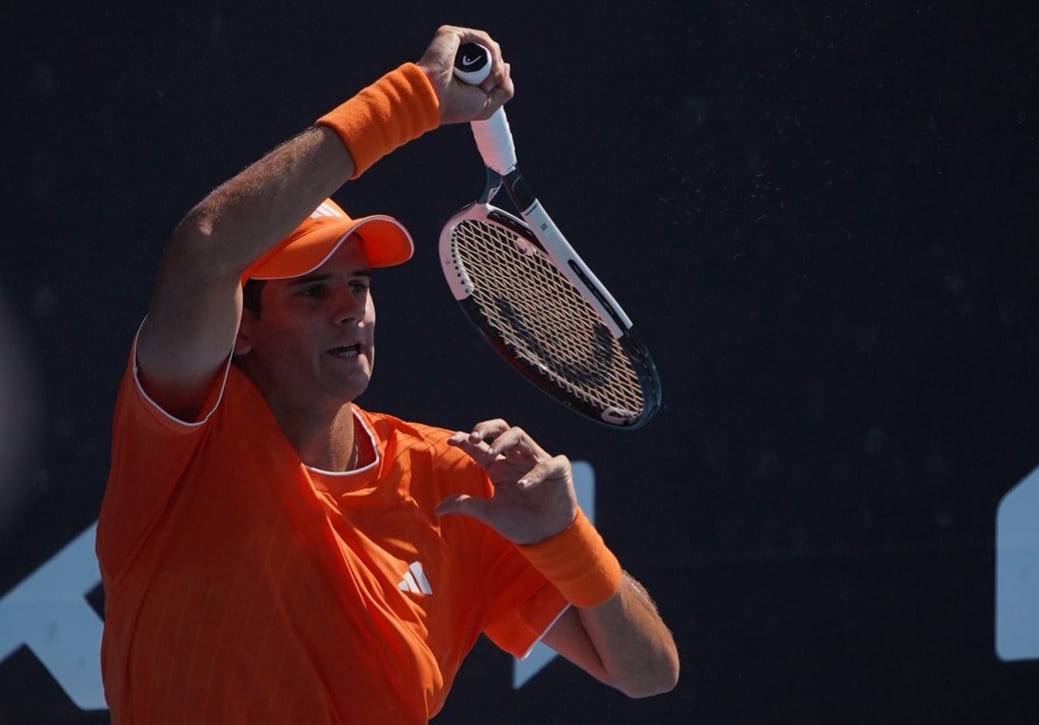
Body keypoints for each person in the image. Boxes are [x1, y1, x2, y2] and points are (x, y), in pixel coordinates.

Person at [96, 24, 678, 724]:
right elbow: (206, 247)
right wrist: (413, 99)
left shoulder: (455, 485)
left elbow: (648, 672)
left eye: (360, 285)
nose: (350, 309)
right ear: (241, 324)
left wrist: (565, 536)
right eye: (313, 291)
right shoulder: (181, 444)